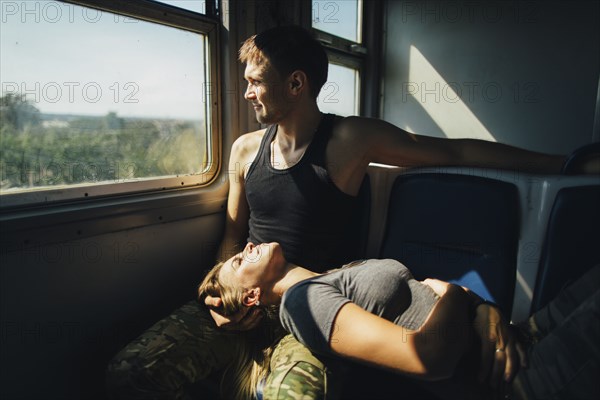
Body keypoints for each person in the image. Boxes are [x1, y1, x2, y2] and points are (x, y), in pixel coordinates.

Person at [106, 25, 597, 399]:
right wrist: (224, 299)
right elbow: (233, 241)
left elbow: (457, 153)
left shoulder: (348, 141)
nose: (248, 92)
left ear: (296, 83)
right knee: (129, 372)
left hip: (315, 311)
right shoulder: (242, 151)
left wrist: (567, 163)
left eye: (256, 82)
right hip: (242, 300)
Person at [198, 242, 600, 400]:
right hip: (514, 382)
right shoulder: (303, 304)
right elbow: (430, 358)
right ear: (251, 295)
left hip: (520, 337)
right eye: (239, 260)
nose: (247, 246)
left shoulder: (337, 271)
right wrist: (459, 295)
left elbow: (438, 297)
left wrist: (483, 310)